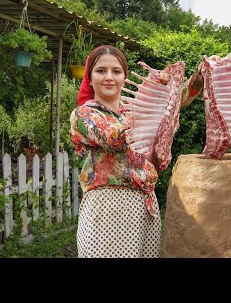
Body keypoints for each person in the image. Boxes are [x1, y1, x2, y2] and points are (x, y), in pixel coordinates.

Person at [70, 45, 203, 258]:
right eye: (101, 71)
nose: (109, 77)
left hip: (144, 206)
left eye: (116, 71)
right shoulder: (84, 114)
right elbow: (112, 139)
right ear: (89, 77)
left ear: (124, 77)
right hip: (107, 207)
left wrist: (200, 75)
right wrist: (156, 99)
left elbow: (181, 98)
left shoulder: (131, 111)